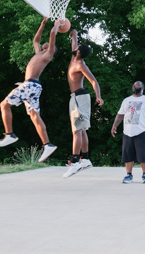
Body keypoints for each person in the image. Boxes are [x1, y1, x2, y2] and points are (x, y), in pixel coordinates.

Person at [0, 17, 62, 162]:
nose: (46, 43)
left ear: (52, 49)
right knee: (34, 115)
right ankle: (47, 144)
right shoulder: (39, 53)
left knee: (4, 105)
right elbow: (35, 41)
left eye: (51, 45)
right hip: (32, 87)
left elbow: (52, 35)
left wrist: (56, 25)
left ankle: (10, 134)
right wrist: (42, 24)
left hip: (30, 85)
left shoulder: (48, 55)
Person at [63, 29, 104, 178]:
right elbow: (74, 35)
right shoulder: (74, 55)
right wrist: (70, 30)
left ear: (79, 52)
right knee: (82, 129)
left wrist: (98, 96)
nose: (76, 46)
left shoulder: (80, 64)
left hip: (80, 97)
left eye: (78, 47)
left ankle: (75, 162)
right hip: (75, 97)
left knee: (77, 130)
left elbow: (93, 81)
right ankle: (85, 159)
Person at [111, 81, 145, 183]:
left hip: (142, 131)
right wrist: (114, 125)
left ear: (142, 88)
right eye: (134, 85)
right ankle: (129, 175)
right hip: (128, 131)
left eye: (138, 85)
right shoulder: (126, 100)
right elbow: (120, 114)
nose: (136, 86)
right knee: (128, 154)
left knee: (143, 154)